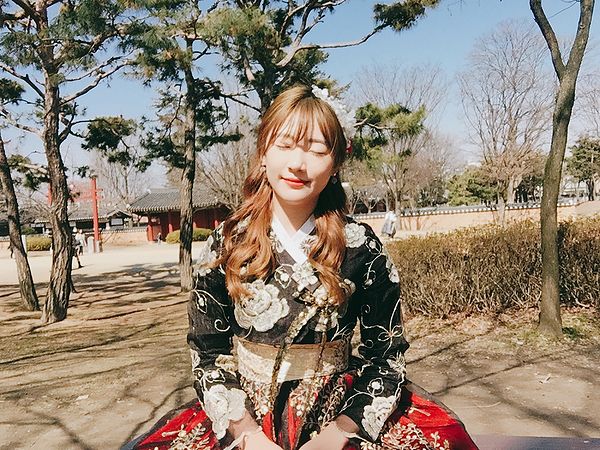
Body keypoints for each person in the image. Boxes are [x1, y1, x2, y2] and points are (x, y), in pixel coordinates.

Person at [124, 86, 477, 450]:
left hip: (341, 413)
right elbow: (207, 353)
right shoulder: (227, 243)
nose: (297, 163)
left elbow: (386, 358)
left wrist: (340, 432)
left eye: (317, 149)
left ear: (335, 163)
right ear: (263, 153)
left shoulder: (361, 248)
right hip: (243, 416)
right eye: (285, 144)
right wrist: (246, 434)